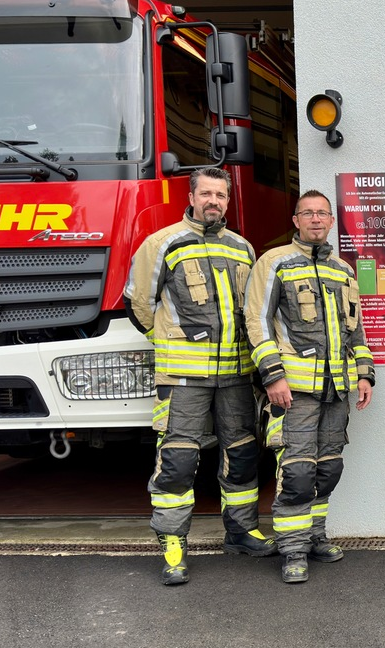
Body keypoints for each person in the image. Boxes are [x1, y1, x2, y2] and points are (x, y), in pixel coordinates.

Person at [124, 167, 277, 586]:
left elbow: (254, 310)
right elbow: (138, 303)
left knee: (243, 454)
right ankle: (173, 541)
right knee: (178, 458)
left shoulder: (243, 249)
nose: (214, 201)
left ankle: (242, 531)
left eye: (221, 195)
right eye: (206, 193)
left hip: (235, 374)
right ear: (191, 197)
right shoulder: (161, 244)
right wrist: (171, 341)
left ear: (228, 201)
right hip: (183, 376)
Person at [244, 189, 375, 584]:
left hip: (337, 389)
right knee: (297, 472)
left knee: (328, 468)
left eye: (323, 213)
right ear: (296, 220)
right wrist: (273, 375)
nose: (316, 219)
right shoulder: (274, 263)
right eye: (308, 213)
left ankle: (315, 537)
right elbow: (258, 322)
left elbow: (357, 328)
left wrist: (365, 373)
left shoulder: (343, 270)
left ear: (331, 221)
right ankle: (293, 549)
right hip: (293, 391)